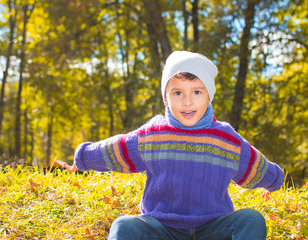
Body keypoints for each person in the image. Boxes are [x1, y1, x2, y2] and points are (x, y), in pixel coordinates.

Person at [63, 51, 285, 240]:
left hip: (213, 228)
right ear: (166, 99)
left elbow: (255, 165)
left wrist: (274, 181)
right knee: (123, 226)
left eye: (197, 92)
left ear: (209, 97)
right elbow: (117, 149)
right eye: (177, 92)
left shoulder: (226, 140)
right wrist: (83, 157)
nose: (187, 101)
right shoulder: (153, 135)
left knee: (251, 220)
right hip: (161, 228)